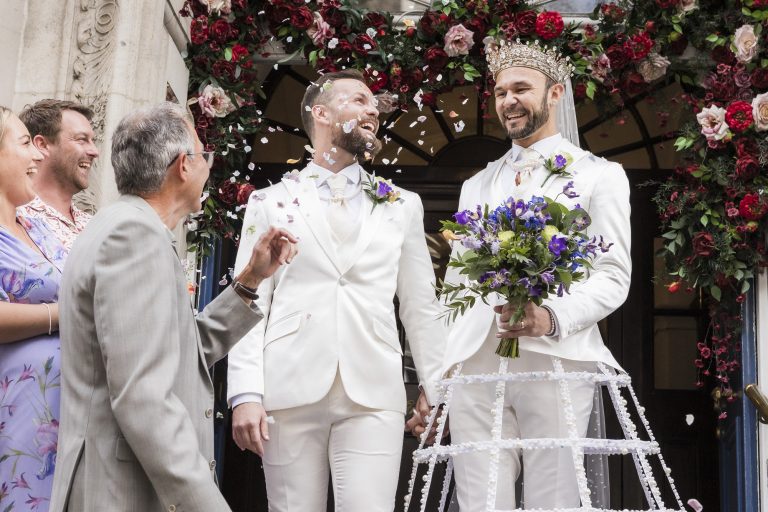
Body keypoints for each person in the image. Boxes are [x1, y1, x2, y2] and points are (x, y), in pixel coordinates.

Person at [48, 102, 298, 512]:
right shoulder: (133, 237)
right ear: (183, 164)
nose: (207, 167)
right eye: (204, 155)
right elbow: (143, 396)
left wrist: (250, 280)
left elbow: (178, 348)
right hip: (120, 492)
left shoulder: (127, 227)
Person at [226, 69, 446, 511]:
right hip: (287, 389)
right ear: (322, 114)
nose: (373, 111)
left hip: (373, 391)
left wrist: (436, 387)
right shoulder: (269, 202)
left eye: (374, 105)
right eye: (360, 101)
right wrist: (245, 393)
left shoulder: (402, 205)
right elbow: (250, 300)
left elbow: (420, 306)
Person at [440, 40, 632, 510]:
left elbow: (612, 274)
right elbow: (456, 283)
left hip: (557, 358)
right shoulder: (476, 184)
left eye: (521, 88)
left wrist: (549, 317)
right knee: (480, 500)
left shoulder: (598, 176)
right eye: (501, 92)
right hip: (476, 359)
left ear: (555, 94)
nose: (508, 101)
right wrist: (441, 368)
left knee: (556, 498)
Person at [0, 106, 66, 512]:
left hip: (61, 416)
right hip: (14, 416)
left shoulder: (38, 224)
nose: (39, 155)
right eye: (26, 143)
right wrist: (62, 315)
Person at [18, 99, 99, 251]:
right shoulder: (14, 218)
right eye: (82, 140)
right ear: (42, 145)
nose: (95, 151)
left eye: (92, 140)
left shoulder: (94, 225)